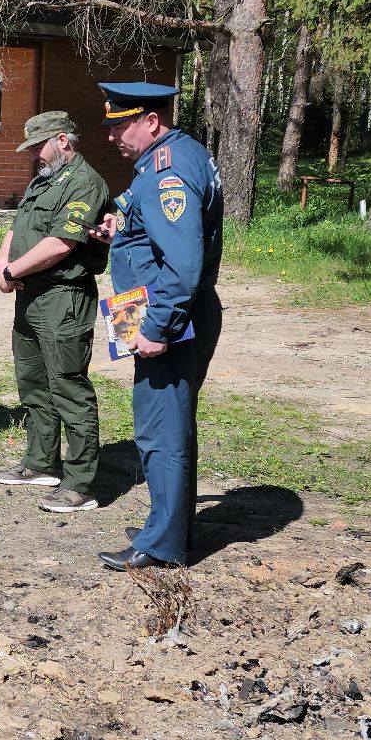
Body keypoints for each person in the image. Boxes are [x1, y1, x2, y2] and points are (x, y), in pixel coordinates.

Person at [90, 82, 223, 570]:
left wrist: (159, 328)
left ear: (151, 121)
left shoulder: (170, 171)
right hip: (150, 307)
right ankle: (170, 525)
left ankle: (164, 544)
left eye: (120, 126)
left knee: (160, 431)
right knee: (168, 424)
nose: (111, 137)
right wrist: (118, 229)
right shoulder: (167, 158)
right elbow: (155, 233)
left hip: (167, 316)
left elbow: (184, 264)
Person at [0, 111, 110, 513]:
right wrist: (2, 267)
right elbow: (17, 226)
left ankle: (80, 484)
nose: (34, 156)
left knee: (68, 388)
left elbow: (62, 244)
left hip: (64, 297)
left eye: (39, 147)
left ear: (62, 140)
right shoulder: (44, 177)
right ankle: (40, 462)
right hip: (30, 294)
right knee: (33, 383)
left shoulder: (84, 183)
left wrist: (12, 270)